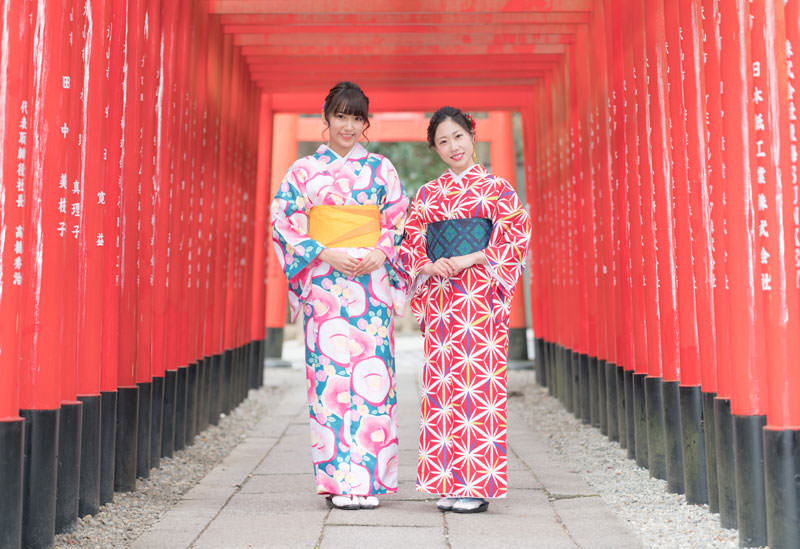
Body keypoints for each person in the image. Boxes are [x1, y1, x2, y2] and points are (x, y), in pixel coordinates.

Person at [270, 82, 409, 510]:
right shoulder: (303, 172)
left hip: (370, 285)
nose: (348, 126)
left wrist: (381, 252)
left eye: (356, 118)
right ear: (326, 120)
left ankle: (368, 481)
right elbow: (282, 222)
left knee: (374, 381)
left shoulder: (382, 169)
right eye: (341, 116)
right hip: (325, 286)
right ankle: (336, 481)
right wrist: (322, 250)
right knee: (328, 383)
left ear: (365, 124)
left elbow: (400, 220)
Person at [399, 106, 531, 514]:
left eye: (458, 136)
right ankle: (446, 480)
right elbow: (409, 244)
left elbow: (515, 236)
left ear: (472, 135)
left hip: (480, 299)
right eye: (442, 141)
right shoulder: (426, 195)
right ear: (434, 149)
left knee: (478, 387)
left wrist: (474, 257)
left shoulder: (499, 190)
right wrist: (425, 263)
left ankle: (476, 483)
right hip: (441, 299)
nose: (452, 146)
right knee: (441, 387)